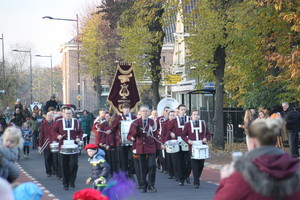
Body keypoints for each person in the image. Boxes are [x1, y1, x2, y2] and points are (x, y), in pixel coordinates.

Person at [214, 118, 300, 200]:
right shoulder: (295, 168)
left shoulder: (242, 175)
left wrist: (225, 180)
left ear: (253, 143)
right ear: (275, 141)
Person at [128, 104, 159, 193]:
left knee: (152, 166)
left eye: (146, 111)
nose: (145, 113)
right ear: (140, 112)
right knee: (142, 168)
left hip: (151, 146)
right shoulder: (135, 122)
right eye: (143, 111)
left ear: (149, 112)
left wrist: (158, 148)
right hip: (140, 147)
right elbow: (130, 136)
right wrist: (135, 131)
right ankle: (144, 185)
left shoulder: (152, 122)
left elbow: (155, 135)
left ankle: (151, 185)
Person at [52, 106, 83, 191]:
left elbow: (80, 132)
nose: (68, 115)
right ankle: (65, 183)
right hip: (63, 146)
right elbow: (53, 131)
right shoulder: (58, 122)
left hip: (73, 146)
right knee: (64, 165)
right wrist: (58, 136)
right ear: (63, 114)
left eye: (70, 113)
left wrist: (79, 138)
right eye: (67, 113)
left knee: (74, 164)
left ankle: (72, 180)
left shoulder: (76, 122)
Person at [181, 110, 211, 188]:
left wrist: (206, 138)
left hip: (201, 146)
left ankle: (185, 176)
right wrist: (188, 141)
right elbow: (183, 135)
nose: (196, 116)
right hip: (192, 147)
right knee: (194, 164)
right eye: (194, 114)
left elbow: (208, 134)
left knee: (201, 164)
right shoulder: (187, 124)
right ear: (191, 116)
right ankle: (196, 182)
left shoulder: (203, 123)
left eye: (197, 114)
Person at [106, 103, 137, 177]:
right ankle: (124, 173)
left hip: (132, 141)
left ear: (129, 109)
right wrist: (110, 131)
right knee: (122, 159)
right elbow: (114, 126)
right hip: (121, 141)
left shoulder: (133, 117)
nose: (126, 110)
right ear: (122, 109)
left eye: (127, 108)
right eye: (124, 108)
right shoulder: (118, 118)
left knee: (132, 158)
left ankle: (130, 172)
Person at [167, 104, 191, 185]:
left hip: (187, 142)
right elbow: (168, 129)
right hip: (178, 142)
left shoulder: (189, 119)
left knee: (189, 160)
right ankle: (182, 179)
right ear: (178, 110)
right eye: (182, 109)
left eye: (184, 109)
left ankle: (187, 175)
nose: (183, 111)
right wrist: (171, 133)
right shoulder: (174, 120)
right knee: (180, 161)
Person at [39, 111, 54, 177]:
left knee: (54, 158)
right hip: (46, 143)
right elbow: (41, 135)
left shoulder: (55, 123)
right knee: (47, 158)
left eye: (51, 115)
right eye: (48, 115)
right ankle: (48, 171)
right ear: (46, 117)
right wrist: (40, 145)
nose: (49, 117)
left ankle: (54, 170)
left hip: (54, 143)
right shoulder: (43, 124)